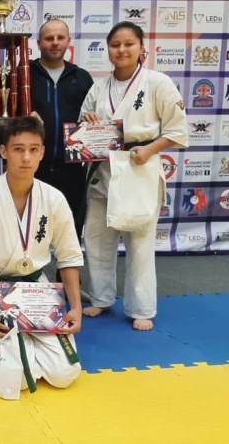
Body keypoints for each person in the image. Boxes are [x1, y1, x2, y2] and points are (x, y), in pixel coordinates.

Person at [0, 117, 83, 397]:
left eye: (33, 149)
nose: (26, 158)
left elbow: (69, 257)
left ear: (42, 152)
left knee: (65, 374)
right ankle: (18, 345)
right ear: (3, 151)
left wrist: (75, 307)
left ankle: (25, 343)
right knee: (11, 381)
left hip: (37, 291)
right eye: (18, 149)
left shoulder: (54, 198)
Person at [80, 21, 188, 331]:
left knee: (140, 243)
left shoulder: (158, 83)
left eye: (128, 44)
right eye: (115, 44)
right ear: (108, 49)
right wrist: (88, 123)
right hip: (104, 170)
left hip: (140, 167)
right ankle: (100, 298)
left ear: (142, 48)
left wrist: (151, 149)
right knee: (97, 240)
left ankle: (141, 307)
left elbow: (178, 130)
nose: (121, 50)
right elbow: (81, 132)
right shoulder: (99, 87)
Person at [30, 18, 93, 241]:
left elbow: (95, 120)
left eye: (60, 38)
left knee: (70, 230)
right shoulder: (23, 75)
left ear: (68, 42)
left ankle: (68, 266)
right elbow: (4, 120)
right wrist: (22, 120)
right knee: (31, 229)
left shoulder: (81, 77)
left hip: (72, 170)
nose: (55, 42)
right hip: (32, 167)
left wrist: (92, 120)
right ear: (39, 43)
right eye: (49, 38)